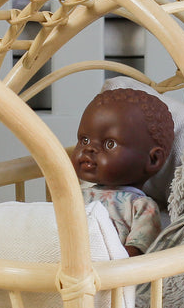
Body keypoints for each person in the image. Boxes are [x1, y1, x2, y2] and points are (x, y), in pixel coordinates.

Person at [71, 87, 175, 255]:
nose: (89, 149)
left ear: (153, 159)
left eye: (109, 144)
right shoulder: (75, 194)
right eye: (84, 140)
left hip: (106, 268)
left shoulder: (141, 207)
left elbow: (138, 251)